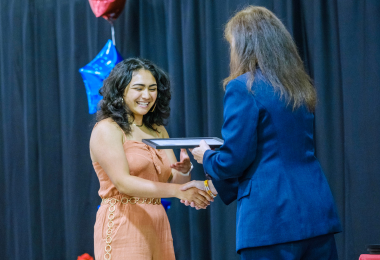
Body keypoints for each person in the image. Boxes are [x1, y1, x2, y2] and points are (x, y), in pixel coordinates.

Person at [182, 6, 342, 260]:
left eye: (232, 45)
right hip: (316, 213)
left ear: (245, 46)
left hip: (271, 220)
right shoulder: (297, 87)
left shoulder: (243, 87)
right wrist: (213, 188)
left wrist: (207, 157)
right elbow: (268, 156)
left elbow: (234, 159)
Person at [90, 57, 212, 260]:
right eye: (139, 88)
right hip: (123, 221)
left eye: (152, 88)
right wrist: (180, 192)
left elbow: (174, 182)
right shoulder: (107, 129)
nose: (147, 95)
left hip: (158, 223)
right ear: (121, 91)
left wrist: (184, 171)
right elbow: (123, 183)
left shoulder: (158, 130)